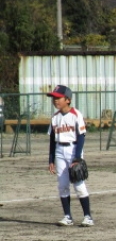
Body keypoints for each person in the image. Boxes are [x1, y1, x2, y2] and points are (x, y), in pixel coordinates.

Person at [47, 85, 94, 227]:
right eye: (54, 98)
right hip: (59, 151)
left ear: (68, 99)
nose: (55, 100)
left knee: (78, 184)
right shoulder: (55, 118)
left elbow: (81, 137)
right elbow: (52, 140)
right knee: (62, 185)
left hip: (73, 150)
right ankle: (67, 217)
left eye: (58, 98)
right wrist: (51, 160)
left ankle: (88, 217)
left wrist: (77, 157)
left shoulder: (76, 114)